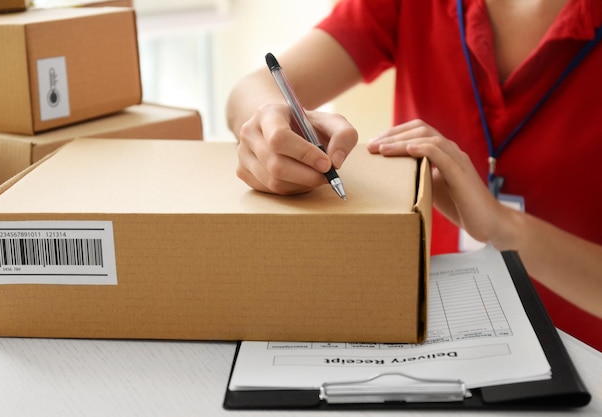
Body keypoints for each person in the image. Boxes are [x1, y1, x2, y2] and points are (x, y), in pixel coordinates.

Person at [226, 0, 602, 350]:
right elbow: (249, 90)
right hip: (425, 330)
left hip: (582, 359)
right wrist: (269, 125)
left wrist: (505, 227)